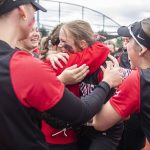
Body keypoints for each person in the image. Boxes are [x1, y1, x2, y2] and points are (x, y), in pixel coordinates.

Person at [0, 0, 123, 149]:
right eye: (34, 11)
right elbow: (82, 111)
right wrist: (107, 82)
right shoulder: (25, 66)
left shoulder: (26, 63)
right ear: (23, 11)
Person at [42, 20, 124, 150]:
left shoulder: (106, 66)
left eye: (64, 41)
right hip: (80, 129)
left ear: (83, 44)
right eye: (59, 41)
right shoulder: (68, 60)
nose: (59, 46)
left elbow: (124, 111)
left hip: (105, 130)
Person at [92, 17, 150, 143]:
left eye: (129, 41)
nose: (125, 46)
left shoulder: (138, 80)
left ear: (142, 49)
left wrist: (107, 81)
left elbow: (99, 122)